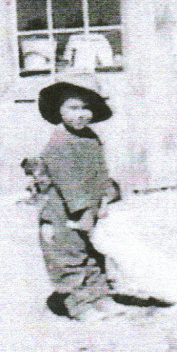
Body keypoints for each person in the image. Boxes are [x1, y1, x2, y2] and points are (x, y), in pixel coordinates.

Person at [34, 73, 122, 320]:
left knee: (92, 253)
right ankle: (77, 303)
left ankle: (99, 296)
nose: (81, 114)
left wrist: (105, 197)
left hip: (89, 206)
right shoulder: (60, 143)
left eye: (87, 108)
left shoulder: (89, 138)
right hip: (62, 210)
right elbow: (68, 182)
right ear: (59, 111)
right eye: (73, 108)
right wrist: (82, 209)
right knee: (68, 256)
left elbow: (100, 171)